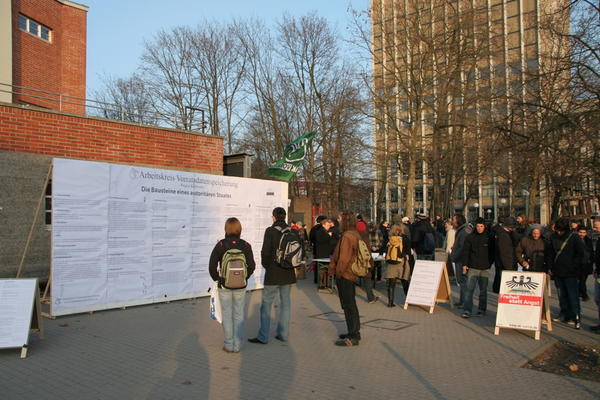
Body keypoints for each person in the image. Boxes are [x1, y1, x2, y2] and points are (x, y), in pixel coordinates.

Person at [248, 207, 296, 344]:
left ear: (273, 217)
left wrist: (267, 266)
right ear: (285, 217)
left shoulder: (270, 231)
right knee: (286, 303)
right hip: (288, 272)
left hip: (273, 272)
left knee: (266, 304)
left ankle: (263, 336)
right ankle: (283, 334)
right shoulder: (291, 231)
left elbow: (265, 252)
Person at [209, 217, 256, 353]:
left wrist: (218, 279)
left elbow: (212, 266)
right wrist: (244, 278)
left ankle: (229, 345)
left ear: (226, 229)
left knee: (227, 314)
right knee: (239, 315)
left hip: (224, 286)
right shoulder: (245, 245)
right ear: (239, 229)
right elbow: (252, 266)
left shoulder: (221, 245)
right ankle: (237, 345)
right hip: (241, 286)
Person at [328, 211, 366, 346]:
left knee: (348, 305)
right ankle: (353, 332)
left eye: (339, 218)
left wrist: (337, 272)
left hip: (345, 274)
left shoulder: (347, 236)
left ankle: (353, 336)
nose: (337, 221)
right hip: (351, 273)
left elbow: (343, 258)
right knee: (350, 304)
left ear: (345, 220)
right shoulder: (354, 233)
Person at [546, 217, 586, 329]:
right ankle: (564, 314)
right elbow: (550, 253)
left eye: (560, 230)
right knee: (561, 295)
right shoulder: (553, 237)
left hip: (571, 272)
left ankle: (575, 316)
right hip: (558, 271)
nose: (558, 232)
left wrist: (574, 266)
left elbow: (580, 253)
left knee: (572, 296)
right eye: (557, 230)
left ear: (566, 229)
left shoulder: (574, 237)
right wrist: (550, 267)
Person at [460, 218, 494, 318]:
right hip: (472, 267)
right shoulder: (470, 237)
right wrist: (464, 265)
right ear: (475, 226)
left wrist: (489, 264)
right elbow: (465, 252)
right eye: (478, 226)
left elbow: (493, 252)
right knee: (469, 290)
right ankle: (467, 310)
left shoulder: (489, 237)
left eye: (481, 226)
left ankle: (481, 309)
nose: (479, 228)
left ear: (485, 227)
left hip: (485, 268)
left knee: (483, 291)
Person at [384, 224, 411, 307]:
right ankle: (408, 299)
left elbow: (385, 249)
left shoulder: (390, 238)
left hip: (391, 262)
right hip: (401, 261)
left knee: (391, 283)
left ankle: (390, 302)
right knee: (404, 280)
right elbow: (408, 251)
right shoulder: (405, 238)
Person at [492, 216, 518, 294]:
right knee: (502, 280)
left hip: (501, 262)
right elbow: (504, 252)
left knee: (498, 277)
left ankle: (496, 289)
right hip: (505, 262)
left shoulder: (502, 232)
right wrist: (509, 267)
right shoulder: (503, 235)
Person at [450, 214, 471, 306]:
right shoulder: (461, 230)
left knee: (464, 282)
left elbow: (463, 248)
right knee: (462, 282)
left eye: (453, 220)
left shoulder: (464, 231)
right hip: (460, 259)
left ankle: (465, 302)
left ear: (458, 221)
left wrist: (455, 256)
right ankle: (463, 301)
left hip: (462, 260)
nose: (452, 222)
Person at [314, 218, 335, 289]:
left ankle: (325, 283)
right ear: (323, 224)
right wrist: (328, 236)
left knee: (325, 269)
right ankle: (322, 283)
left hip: (325, 252)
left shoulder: (324, 231)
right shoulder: (320, 231)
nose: (329, 226)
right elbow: (320, 240)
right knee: (322, 269)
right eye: (327, 225)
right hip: (322, 253)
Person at [577, 225, 593, 301]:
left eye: (584, 232)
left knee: (583, 280)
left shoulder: (589, 241)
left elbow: (591, 253)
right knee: (581, 280)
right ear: (577, 232)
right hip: (577, 264)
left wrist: (591, 263)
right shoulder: (574, 240)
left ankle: (580, 292)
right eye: (580, 232)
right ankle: (584, 295)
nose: (582, 234)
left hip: (586, 264)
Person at [591, 218, 600, 333]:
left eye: (597, 226)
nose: (594, 228)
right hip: (598, 273)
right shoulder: (598, 239)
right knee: (598, 299)